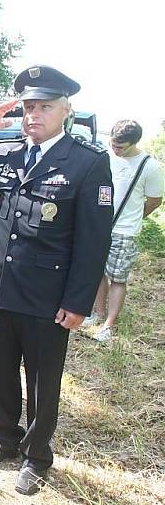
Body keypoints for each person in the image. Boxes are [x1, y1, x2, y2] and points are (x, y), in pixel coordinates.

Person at [0, 65, 113, 495]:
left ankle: (37, 457)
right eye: (29, 107)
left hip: (47, 295)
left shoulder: (87, 163)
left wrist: (77, 302)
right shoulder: (5, 152)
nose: (34, 115)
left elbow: (93, 242)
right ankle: (4, 439)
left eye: (45, 107)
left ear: (66, 111)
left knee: (42, 380)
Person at [87, 120, 163, 341]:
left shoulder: (149, 166)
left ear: (134, 142)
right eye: (113, 144)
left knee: (117, 277)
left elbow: (155, 201)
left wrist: (134, 219)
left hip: (125, 231)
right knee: (97, 271)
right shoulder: (107, 157)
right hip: (100, 226)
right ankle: (98, 313)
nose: (115, 149)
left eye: (121, 147)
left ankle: (109, 325)